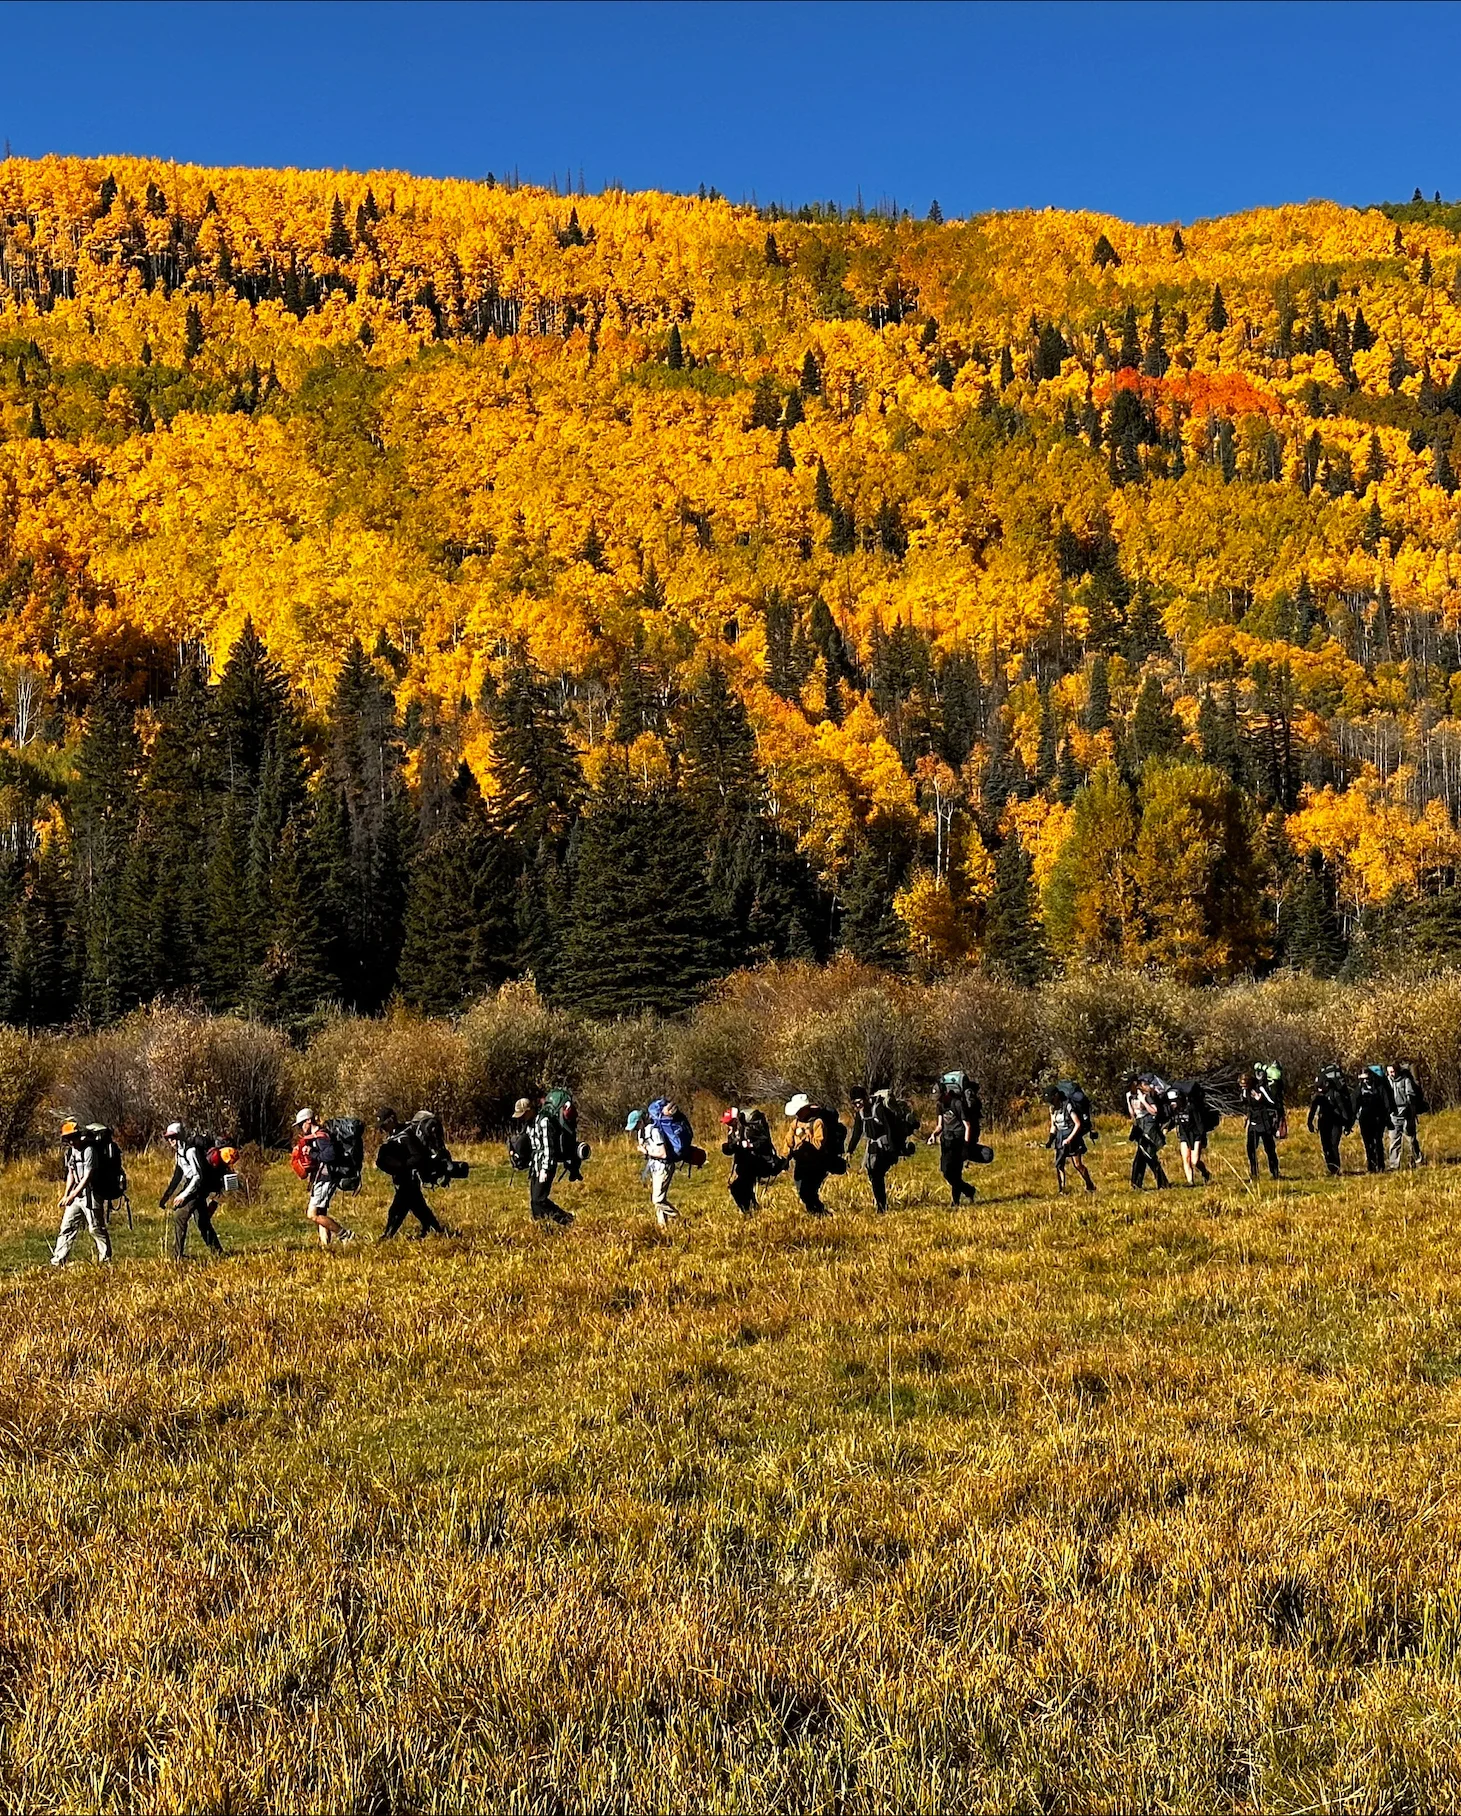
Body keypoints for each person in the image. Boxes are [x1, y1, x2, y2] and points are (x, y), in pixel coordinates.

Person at [375, 1108, 449, 1239]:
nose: (383, 1129)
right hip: (406, 1178)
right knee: (418, 1207)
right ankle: (435, 1230)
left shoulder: (404, 1136)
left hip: (410, 1178)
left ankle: (387, 1236)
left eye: (384, 1125)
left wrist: (401, 1167)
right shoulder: (396, 1134)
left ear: (392, 1119)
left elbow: (417, 1157)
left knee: (397, 1210)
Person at [160, 1120, 228, 1259]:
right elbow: (177, 1176)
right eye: (168, 1138)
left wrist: (183, 1196)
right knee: (202, 1222)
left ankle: (177, 1257)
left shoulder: (190, 1151)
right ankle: (218, 1253)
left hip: (197, 1188)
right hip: (194, 1187)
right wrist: (166, 1196)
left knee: (180, 1216)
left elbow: (198, 1176)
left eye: (172, 1137)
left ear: (179, 1136)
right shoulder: (179, 1153)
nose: (170, 1140)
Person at [51, 1118, 114, 1267]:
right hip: (77, 1195)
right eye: (68, 1139)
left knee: (95, 1228)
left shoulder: (89, 1150)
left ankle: (105, 1260)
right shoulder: (71, 1152)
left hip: (91, 1195)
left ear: (79, 1135)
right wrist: (67, 1194)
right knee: (67, 1227)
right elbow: (71, 1173)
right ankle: (58, 1260)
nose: (71, 1141)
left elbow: (88, 1176)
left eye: (73, 1137)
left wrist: (72, 1195)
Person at [291, 1108, 355, 1247]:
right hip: (322, 1178)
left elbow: (330, 1155)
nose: (301, 1128)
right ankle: (325, 1245)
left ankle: (345, 1235)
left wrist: (312, 1153)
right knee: (321, 1212)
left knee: (312, 1214)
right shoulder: (317, 1137)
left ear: (309, 1120)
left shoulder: (321, 1137)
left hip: (326, 1178)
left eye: (302, 1124)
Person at [848, 1085, 916, 1213]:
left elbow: (889, 1129)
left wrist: (893, 1150)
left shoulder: (879, 1109)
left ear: (865, 1097)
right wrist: (850, 1151)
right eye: (854, 1103)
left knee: (876, 1174)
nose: (857, 1106)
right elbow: (857, 1132)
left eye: (858, 1102)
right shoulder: (861, 1113)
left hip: (885, 1147)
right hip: (873, 1148)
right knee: (874, 1175)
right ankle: (881, 1205)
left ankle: (881, 1207)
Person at [629, 1097, 692, 1230]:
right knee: (659, 1199)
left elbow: (662, 1153)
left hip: (663, 1166)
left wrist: (646, 1152)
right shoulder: (643, 1131)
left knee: (657, 1200)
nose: (635, 1129)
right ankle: (663, 1228)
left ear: (641, 1121)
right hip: (655, 1166)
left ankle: (680, 1219)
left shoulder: (654, 1131)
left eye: (635, 1126)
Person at [783, 1094, 844, 1216]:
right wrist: (785, 1157)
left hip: (816, 1163)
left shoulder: (818, 1123)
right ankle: (816, 1212)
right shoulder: (795, 1123)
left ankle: (819, 1213)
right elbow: (788, 1141)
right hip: (801, 1162)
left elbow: (818, 1145)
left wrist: (803, 1137)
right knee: (802, 1191)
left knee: (808, 1191)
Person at [720, 1107, 782, 1215]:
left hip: (756, 1163)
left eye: (729, 1122)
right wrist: (728, 1148)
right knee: (741, 1188)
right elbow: (733, 1148)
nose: (728, 1124)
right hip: (745, 1164)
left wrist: (750, 1145)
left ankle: (749, 1211)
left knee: (737, 1188)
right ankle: (751, 1210)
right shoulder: (733, 1131)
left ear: (735, 1120)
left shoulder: (750, 1128)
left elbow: (764, 1142)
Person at [929, 1073, 979, 1207]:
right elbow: (940, 1125)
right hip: (946, 1141)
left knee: (956, 1172)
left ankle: (956, 1202)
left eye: (939, 1096)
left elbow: (967, 1126)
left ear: (945, 1092)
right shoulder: (940, 1106)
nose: (938, 1100)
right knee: (946, 1171)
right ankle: (969, 1190)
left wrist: (966, 1146)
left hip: (958, 1141)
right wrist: (934, 1135)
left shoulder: (957, 1104)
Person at [527, 1092, 574, 1227]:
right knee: (534, 1201)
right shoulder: (530, 1124)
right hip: (535, 1166)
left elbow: (549, 1147)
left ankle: (566, 1219)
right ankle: (541, 1227)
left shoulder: (544, 1122)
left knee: (540, 1199)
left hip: (545, 1166)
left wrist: (545, 1169)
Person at [1165, 1080, 1217, 1186]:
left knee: (1195, 1160)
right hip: (1184, 1134)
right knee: (1186, 1158)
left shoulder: (1192, 1108)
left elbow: (1200, 1124)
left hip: (1196, 1134)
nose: (1173, 1103)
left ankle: (1205, 1173)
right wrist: (1167, 1128)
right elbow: (1174, 1120)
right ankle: (1190, 1182)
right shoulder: (1175, 1110)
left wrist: (1203, 1138)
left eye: (1174, 1101)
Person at [1045, 1086, 1096, 1194]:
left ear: (1056, 1096)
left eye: (1052, 1099)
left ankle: (1089, 1184)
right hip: (1060, 1137)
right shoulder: (1052, 1109)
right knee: (1059, 1164)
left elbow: (1077, 1124)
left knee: (1077, 1164)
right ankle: (1062, 1190)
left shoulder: (1067, 1105)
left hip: (1072, 1136)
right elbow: (1053, 1125)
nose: (1051, 1102)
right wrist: (1050, 1140)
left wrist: (1069, 1138)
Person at [1307, 1064, 1353, 1177]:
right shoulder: (1318, 1097)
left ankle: (1336, 1169)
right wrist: (1309, 1123)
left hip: (1336, 1124)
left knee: (1333, 1145)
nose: (1319, 1089)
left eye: (1321, 1087)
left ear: (1326, 1084)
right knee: (1326, 1147)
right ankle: (1331, 1168)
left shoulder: (1335, 1094)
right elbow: (1312, 1111)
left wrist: (1347, 1125)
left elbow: (1343, 1111)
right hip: (1324, 1123)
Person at [1125, 1076, 1169, 1190]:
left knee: (1148, 1154)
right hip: (1139, 1124)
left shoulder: (1145, 1094)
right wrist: (1129, 1101)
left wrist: (1143, 1100)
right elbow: (1132, 1115)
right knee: (1142, 1155)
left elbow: (1154, 1111)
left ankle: (1162, 1183)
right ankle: (1137, 1184)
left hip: (1149, 1123)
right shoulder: (1130, 1095)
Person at [1353, 1066, 1395, 1175]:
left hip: (1378, 1119)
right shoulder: (1360, 1088)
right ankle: (1371, 1167)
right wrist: (1351, 1121)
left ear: (1371, 1076)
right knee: (1368, 1144)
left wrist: (1387, 1117)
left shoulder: (1380, 1087)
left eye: (1367, 1078)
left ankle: (1380, 1166)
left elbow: (1387, 1104)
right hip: (1365, 1120)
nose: (1365, 1080)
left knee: (1378, 1142)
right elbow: (1354, 1105)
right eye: (1363, 1078)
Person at [1241, 1069, 1281, 1181]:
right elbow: (1245, 1103)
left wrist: (1261, 1099)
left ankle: (1275, 1172)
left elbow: (1273, 1103)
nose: (1243, 1087)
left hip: (1264, 1123)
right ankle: (1254, 1173)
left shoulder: (1261, 1088)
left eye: (1245, 1085)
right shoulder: (1245, 1091)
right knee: (1250, 1148)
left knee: (1269, 1149)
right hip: (1253, 1122)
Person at [1386, 1062, 1428, 1169]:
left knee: (1411, 1140)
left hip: (1407, 1114)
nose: (1391, 1074)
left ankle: (1418, 1159)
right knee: (1394, 1141)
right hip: (1393, 1115)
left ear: (1397, 1070)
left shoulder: (1406, 1080)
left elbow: (1411, 1096)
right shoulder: (1386, 1082)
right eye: (1389, 1072)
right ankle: (1394, 1165)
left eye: (1392, 1071)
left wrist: (1410, 1112)